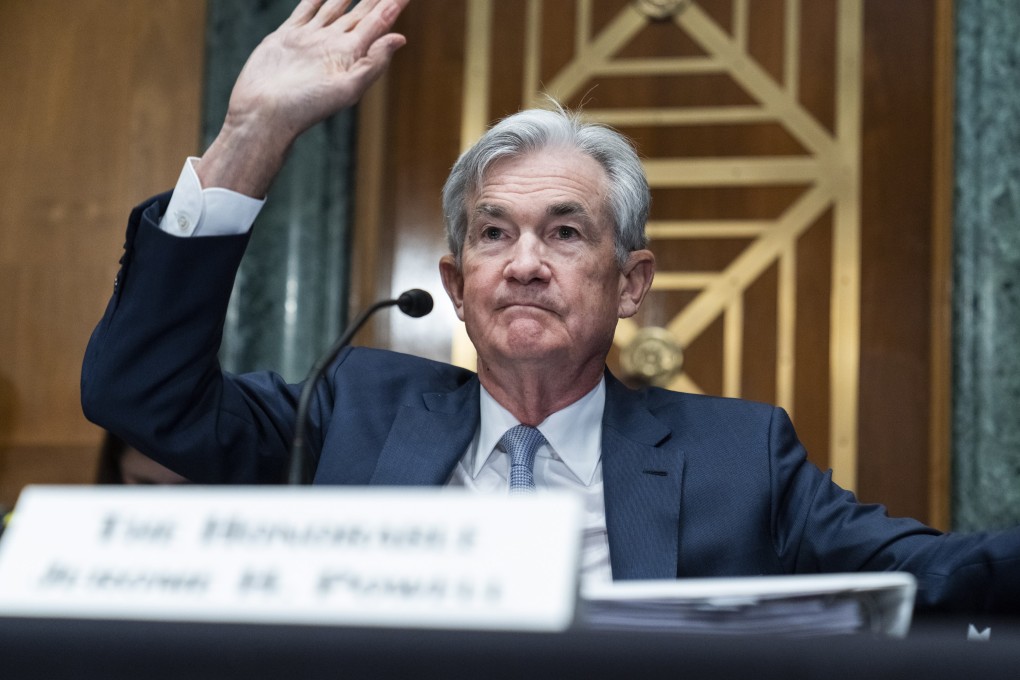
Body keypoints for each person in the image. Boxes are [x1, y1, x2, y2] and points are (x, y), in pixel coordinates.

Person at [81, 0, 1019, 614]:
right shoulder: (350, 413)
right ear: (455, 285)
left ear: (631, 283)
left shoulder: (741, 457)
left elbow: (926, 575)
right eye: (493, 235)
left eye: (566, 233)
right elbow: (142, 395)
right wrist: (255, 131)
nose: (524, 263)